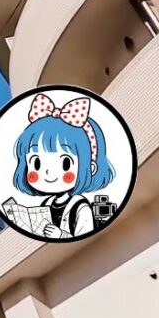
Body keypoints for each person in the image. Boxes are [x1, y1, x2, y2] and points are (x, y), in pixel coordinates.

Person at [11, 93, 115, 239]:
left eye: (65, 163)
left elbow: (86, 239)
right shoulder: (46, 204)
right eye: (37, 163)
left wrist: (61, 235)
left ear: (91, 168)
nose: (48, 172)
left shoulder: (81, 207)